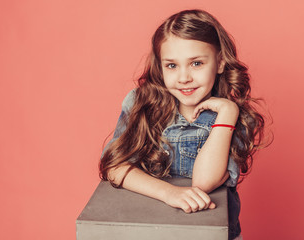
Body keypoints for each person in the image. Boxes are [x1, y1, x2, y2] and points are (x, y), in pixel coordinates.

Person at [99, 9, 266, 240]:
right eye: (172, 66)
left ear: (219, 63)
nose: (184, 77)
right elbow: (113, 168)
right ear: (160, 66)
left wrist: (228, 112)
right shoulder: (141, 103)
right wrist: (169, 193)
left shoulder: (237, 116)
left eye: (196, 63)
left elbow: (204, 182)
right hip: (152, 230)